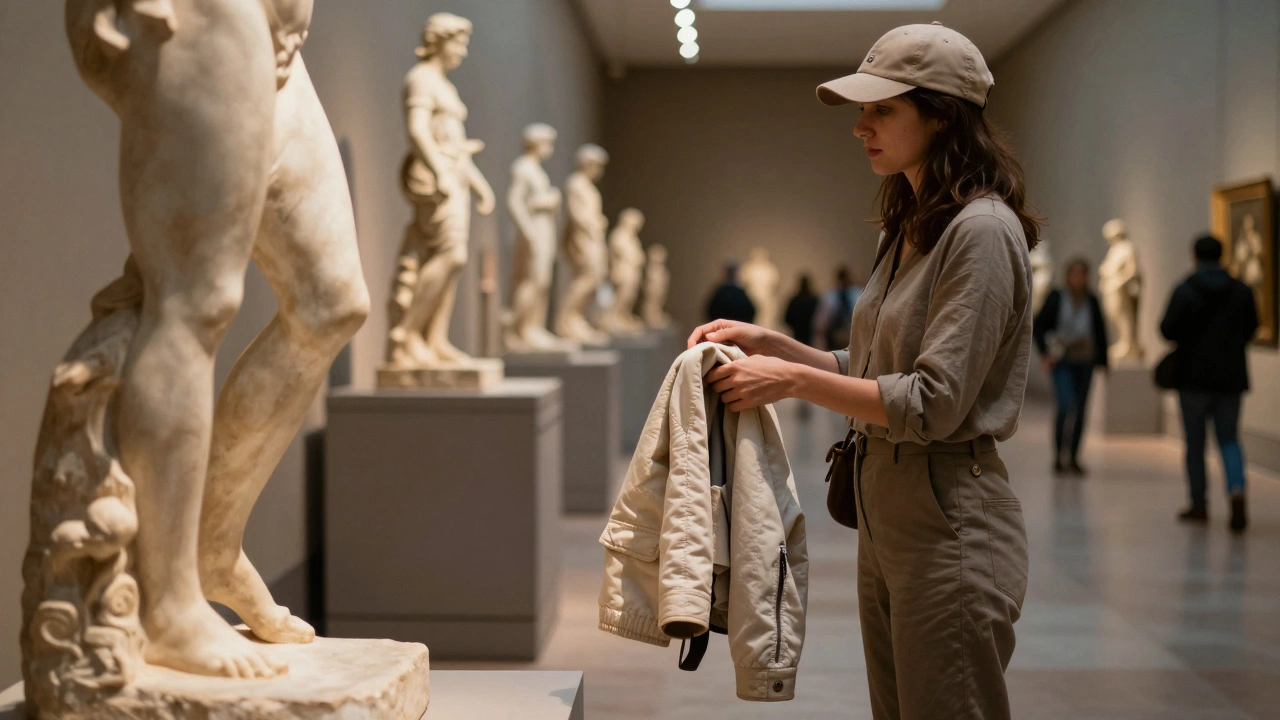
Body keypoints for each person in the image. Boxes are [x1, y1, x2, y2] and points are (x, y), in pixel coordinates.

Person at [689, 23, 1038, 719]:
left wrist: (790, 383)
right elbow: (877, 368)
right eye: (862, 110)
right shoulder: (913, 225)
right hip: (890, 511)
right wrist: (779, 347)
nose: (861, 127)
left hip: (949, 520)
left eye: (882, 110)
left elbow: (933, 400)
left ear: (941, 115)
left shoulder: (981, 230)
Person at [1160, 234, 1258, 532]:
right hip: (1230, 378)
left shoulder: (1186, 289)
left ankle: (1199, 504)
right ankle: (1237, 491)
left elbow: (1167, 329)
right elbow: (1252, 326)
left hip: (1193, 378)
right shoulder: (1240, 290)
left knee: (1195, 443)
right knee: (1229, 439)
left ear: (1195, 257)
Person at [1033, 258, 1109, 475]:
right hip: (1062, 360)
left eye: (1082, 274)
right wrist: (1045, 353)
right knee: (1066, 405)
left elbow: (1100, 330)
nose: (1078, 278)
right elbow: (1039, 325)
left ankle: (1074, 457)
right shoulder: (1057, 297)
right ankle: (1059, 456)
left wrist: (1103, 361)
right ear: (1068, 276)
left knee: (1082, 409)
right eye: (1074, 274)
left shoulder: (1091, 299)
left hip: (1085, 361)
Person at [815, 266, 863, 350]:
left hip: (852, 334)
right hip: (834, 335)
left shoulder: (857, 294)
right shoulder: (830, 296)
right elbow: (822, 319)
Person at [784, 274, 820, 346]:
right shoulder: (814, 300)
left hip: (797, 333)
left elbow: (787, 318)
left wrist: (795, 325)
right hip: (809, 334)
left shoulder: (795, 300)